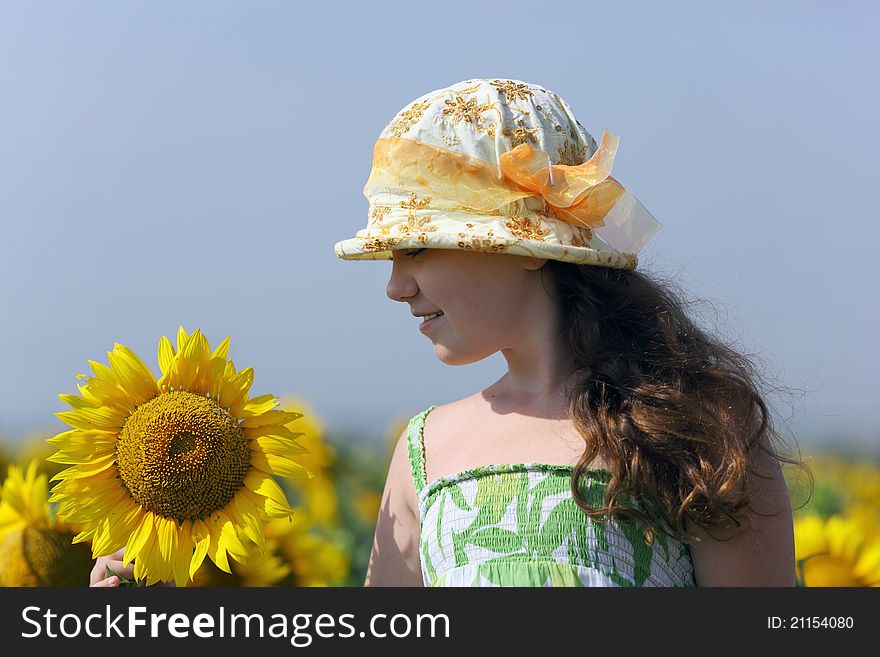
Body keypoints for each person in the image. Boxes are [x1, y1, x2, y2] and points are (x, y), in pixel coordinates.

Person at [333, 78, 811, 587]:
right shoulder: (422, 451)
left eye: (417, 248)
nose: (394, 286)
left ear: (526, 244)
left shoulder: (699, 432)